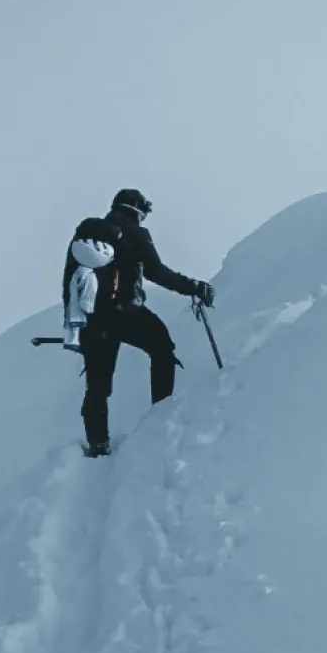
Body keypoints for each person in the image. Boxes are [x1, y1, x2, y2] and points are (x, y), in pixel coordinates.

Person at [62, 188, 213, 457]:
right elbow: (158, 272)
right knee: (162, 350)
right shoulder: (136, 233)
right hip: (128, 314)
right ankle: (160, 416)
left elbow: (70, 281)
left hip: (93, 320)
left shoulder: (85, 235)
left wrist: (76, 323)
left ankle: (98, 444)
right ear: (139, 210)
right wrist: (194, 287)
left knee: (98, 384)